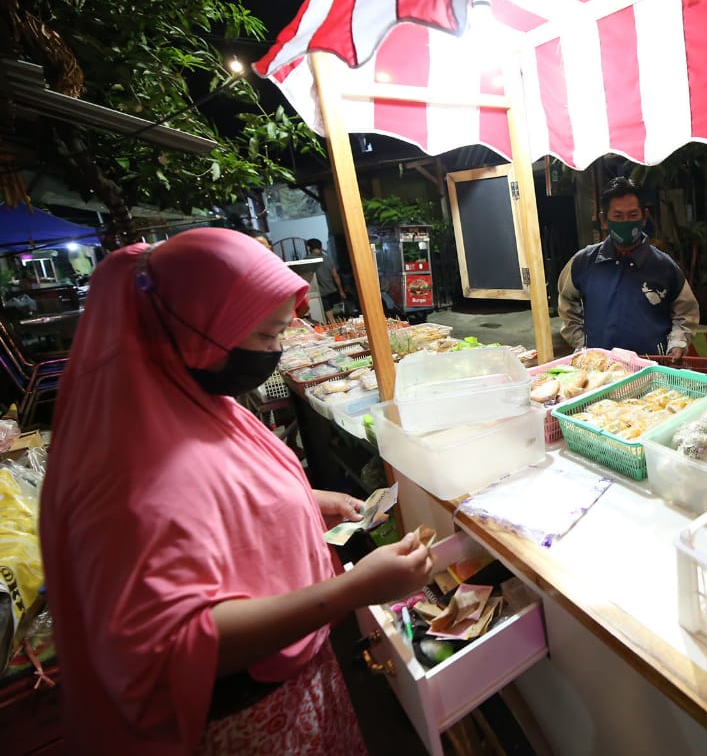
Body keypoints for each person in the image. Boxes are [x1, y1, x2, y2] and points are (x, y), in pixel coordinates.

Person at [40, 229, 433, 753]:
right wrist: (355, 589)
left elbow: (223, 496)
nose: (276, 350)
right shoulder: (128, 470)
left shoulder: (192, 397)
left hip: (292, 683)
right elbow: (176, 645)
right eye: (267, 336)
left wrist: (309, 502)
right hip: (238, 721)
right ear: (200, 329)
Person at [558, 177, 699, 361]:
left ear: (644, 217)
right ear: (604, 220)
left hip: (652, 367)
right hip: (602, 369)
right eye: (618, 216)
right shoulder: (583, 263)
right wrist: (582, 343)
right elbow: (567, 303)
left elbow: (685, 312)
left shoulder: (664, 266)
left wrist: (678, 344)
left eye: (633, 215)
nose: (626, 222)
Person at [306, 237, 346, 323]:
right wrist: (341, 291)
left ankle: (335, 328)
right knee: (331, 312)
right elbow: (335, 276)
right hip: (332, 291)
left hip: (320, 293)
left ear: (309, 248)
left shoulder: (307, 260)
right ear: (320, 247)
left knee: (328, 315)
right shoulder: (327, 258)